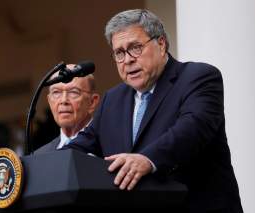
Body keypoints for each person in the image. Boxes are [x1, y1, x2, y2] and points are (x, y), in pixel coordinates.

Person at [64, 9, 243, 212]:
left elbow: (192, 129)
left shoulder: (198, 77)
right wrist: (41, 166)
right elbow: (83, 143)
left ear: (161, 44)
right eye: (119, 53)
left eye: (135, 48)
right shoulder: (113, 99)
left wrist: (148, 159)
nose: (128, 60)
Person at [34, 65, 100, 154]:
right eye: (56, 92)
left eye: (73, 92)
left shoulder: (111, 145)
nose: (63, 100)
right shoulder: (39, 156)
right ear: (49, 101)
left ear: (92, 102)